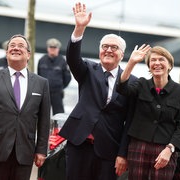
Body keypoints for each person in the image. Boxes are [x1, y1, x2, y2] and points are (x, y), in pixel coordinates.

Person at [58, 3, 149, 180]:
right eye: (104, 46)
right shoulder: (87, 70)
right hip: (79, 143)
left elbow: (129, 121)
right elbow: (72, 58)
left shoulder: (132, 82)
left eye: (113, 47)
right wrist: (79, 29)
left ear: (122, 54)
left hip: (109, 149)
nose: (108, 50)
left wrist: (123, 154)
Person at [0, 34, 51, 180]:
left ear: (28, 54)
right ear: (6, 52)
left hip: (25, 153)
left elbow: (44, 119)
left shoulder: (41, 83)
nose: (16, 48)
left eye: (21, 46)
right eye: (12, 45)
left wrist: (41, 150)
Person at [117, 46, 180, 180]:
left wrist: (169, 149)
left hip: (164, 149)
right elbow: (122, 88)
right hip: (139, 146)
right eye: (153, 60)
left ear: (170, 65)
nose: (157, 63)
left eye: (161, 59)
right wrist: (131, 62)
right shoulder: (141, 84)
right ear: (149, 66)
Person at [37, 38, 71, 115]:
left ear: (58, 49)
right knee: (42, 114)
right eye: (50, 47)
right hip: (44, 92)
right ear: (47, 48)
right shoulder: (42, 60)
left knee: (59, 114)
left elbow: (67, 78)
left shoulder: (63, 61)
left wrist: (60, 87)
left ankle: (58, 127)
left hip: (57, 93)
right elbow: (38, 76)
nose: (52, 49)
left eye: (54, 48)